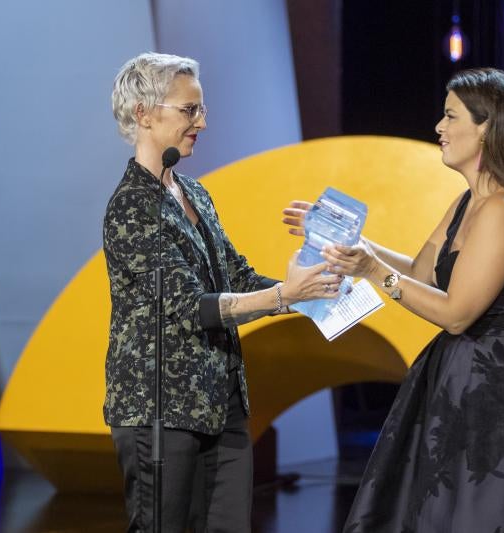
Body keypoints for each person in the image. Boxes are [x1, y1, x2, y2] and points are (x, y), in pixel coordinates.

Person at [283, 68, 504, 532]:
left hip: (496, 397)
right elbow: (421, 273)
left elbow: (455, 314)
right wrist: (354, 245)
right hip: (456, 382)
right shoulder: (467, 203)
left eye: (450, 116)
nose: (438, 126)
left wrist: (372, 270)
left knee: (483, 515)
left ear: (487, 128)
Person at [104, 52, 341, 533]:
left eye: (202, 109)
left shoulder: (195, 194)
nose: (203, 122)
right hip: (160, 409)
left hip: (222, 401)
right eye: (190, 110)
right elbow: (192, 308)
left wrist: (311, 285)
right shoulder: (131, 207)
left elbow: (237, 279)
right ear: (143, 114)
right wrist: (284, 297)